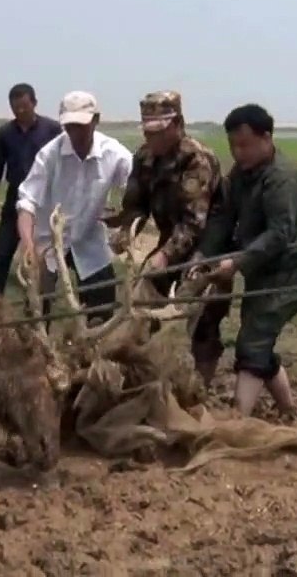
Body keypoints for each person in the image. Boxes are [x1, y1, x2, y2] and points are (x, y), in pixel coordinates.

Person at [187, 103, 297, 418]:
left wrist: (237, 262)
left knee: (252, 342)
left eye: (244, 145)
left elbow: (279, 235)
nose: (238, 153)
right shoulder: (241, 175)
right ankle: (290, 411)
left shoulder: (282, 177)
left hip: (288, 276)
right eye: (233, 146)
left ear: (266, 138)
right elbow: (222, 219)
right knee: (259, 342)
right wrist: (204, 254)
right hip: (260, 275)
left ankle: (237, 417)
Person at [103, 90, 232, 387]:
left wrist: (163, 257)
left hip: (206, 247)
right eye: (147, 131)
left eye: (158, 132)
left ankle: (197, 388)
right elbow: (137, 205)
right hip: (170, 239)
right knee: (139, 301)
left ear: (177, 125)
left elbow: (194, 223)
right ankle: (139, 377)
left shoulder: (197, 160)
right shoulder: (144, 157)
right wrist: (125, 229)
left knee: (195, 320)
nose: (152, 139)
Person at [16, 90, 133, 324]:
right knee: (35, 315)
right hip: (47, 242)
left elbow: (138, 188)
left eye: (81, 126)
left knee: (102, 312)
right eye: (69, 126)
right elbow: (27, 201)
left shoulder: (115, 155)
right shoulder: (49, 155)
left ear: (96, 120)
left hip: (89, 241)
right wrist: (28, 244)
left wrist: (126, 223)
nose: (75, 133)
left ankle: (91, 354)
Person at [0, 83, 62, 296]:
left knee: (44, 259)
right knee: (2, 255)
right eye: (15, 108)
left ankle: (41, 310)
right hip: (15, 200)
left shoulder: (53, 130)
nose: (20, 111)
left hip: (44, 202)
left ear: (34, 103)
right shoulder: (5, 133)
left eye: (24, 106)